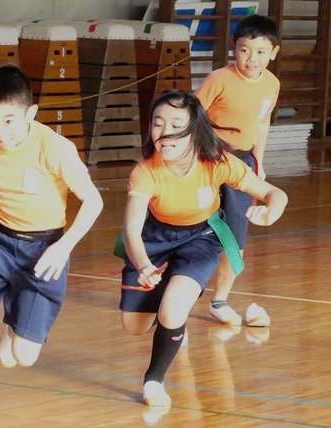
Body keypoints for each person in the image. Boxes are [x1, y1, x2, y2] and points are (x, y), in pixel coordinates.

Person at [0, 64, 103, 427]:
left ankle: (15, 325)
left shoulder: (55, 148)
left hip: (45, 249)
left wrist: (63, 247)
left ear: (31, 113)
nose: (0, 132)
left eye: (10, 121)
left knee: (21, 356)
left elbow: (94, 202)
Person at [118, 90, 287, 407]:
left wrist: (271, 211)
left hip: (201, 237)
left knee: (171, 309)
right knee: (134, 327)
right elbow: (130, 230)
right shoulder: (145, 171)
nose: (164, 133)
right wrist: (142, 265)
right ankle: (173, 304)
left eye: (176, 124)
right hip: (153, 240)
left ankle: (154, 381)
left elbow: (274, 193)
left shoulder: (218, 162)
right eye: (157, 123)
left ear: (194, 131)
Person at [194, 14, 280, 327]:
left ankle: (219, 301)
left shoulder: (272, 83)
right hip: (209, 160)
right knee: (193, 228)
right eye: (245, 50)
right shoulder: (218, 78)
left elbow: (262, 121)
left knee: (236, 237)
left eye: (260, 51)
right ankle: (178, 290)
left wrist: (259, 160)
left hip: (243, 165)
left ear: (273, 52)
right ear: (234, 48)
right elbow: (192, 116)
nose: (252, 58)